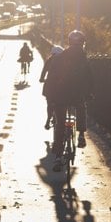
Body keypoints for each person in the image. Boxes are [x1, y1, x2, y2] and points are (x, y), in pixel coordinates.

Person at [43, 31, 94, 168]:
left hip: (60, 95)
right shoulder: (83, 58)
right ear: (83, 43)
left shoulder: (60, 57)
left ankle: (58, 157)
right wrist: (89, 93)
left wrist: (51, 95)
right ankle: (82, 134)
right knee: (81, 107)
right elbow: (89, 78)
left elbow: (52, 76)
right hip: (76, 94)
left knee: (60, 125)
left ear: (69, 42)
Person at [38, 45, 62, 129]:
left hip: (50, 85)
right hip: (62, 86)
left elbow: (44, 70)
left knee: (49, 103)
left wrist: (41, 78)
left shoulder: (50, 60)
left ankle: (48, 119)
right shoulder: (65, 61)